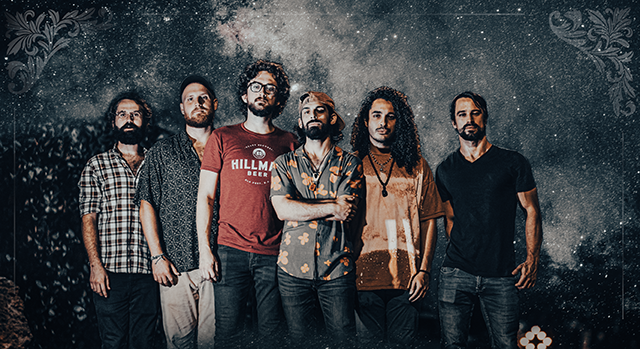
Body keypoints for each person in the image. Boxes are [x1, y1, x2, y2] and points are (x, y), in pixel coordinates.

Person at [196, 59, 297, 348]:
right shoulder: (223, 137)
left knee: (271, 336)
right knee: (228, 335)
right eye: (256, 86)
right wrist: (206, 250)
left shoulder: (290, 142)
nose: (262, 92)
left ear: (278, 98)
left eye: (270, 88)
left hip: (275, 251)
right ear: (245, 94)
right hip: (230, 250)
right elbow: (206, 196)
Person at [435, 91, 543, 349]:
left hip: (501, 275)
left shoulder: (512, 162)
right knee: (452, 345)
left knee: (506, 345)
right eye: (462, 114)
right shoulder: (445, 169)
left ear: (484, 116)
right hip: (455, 272)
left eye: (475, 112)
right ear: (454, 122)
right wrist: (465, 249)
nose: (469, 119)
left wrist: (532, 259)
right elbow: (449, 218)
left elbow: (532, 211)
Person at [350, 86, 444, 346]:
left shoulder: (417, 165)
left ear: (399, 122)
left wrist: (424, 270)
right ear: (366, 121)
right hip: (361, 276)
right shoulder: (351, 163)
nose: (383, 122)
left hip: (408, 280)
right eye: (377, 115)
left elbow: (430, 220)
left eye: (390, 116)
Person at [270, 91, 364, 348]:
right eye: (306, 112)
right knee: (301, 342)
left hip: (337, 268)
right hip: (292, 271)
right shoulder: (283, 164)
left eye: (319, 111)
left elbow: (346, 211)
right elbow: (282, 210)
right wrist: (331, 205)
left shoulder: (350, 163)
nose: (313, 116)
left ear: (332, 118)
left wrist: (299, 205)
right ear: (300, 122)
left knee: (343, 341)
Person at [136, 75, 218, 349]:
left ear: (214, 104)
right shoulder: (162, 151)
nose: (198, 103)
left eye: (203, 97)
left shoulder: (229, 147)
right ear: (182, 108)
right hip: (175, 265)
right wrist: (157, 256)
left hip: (220, 263)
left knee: (215, 343)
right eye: (190, 99)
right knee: (179, 343)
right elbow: (146, 202)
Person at [79, 91, 159, 349]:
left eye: (135, 114)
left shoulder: (157, 164)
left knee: (144, 342)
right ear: (113, 121)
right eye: (122, 114)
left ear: (144, 121)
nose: (128, 119)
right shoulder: (96, 166)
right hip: (110, 273)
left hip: (150, 273)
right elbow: (88, 218)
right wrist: (95, 265)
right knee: (112, 342)